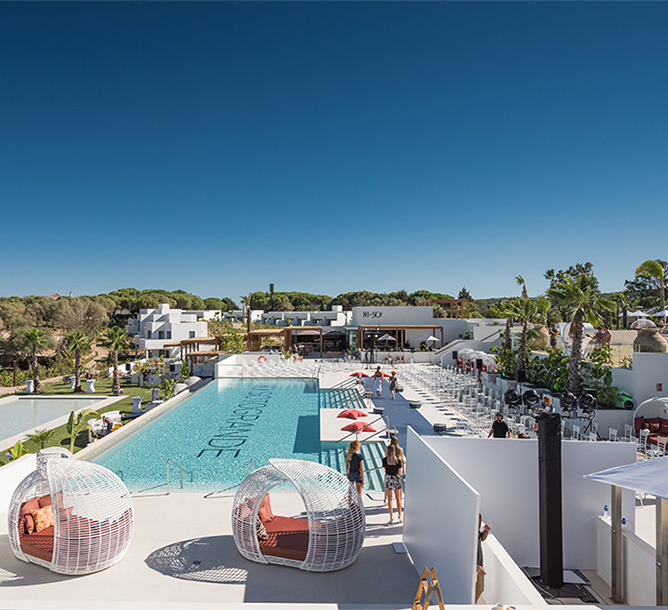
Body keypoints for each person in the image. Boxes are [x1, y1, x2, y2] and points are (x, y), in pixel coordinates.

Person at [383, 444, 403, 525]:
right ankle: (399, 516)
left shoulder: (385, 460)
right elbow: (399, 472)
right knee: (398, 498)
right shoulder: (397, 461)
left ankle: (391, 517)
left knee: (390, 499)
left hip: (388, 479)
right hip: (396, 479)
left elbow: (385, 470)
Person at [476, 514, 491, 602]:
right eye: (479, 521)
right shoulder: (470, 532)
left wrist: (486, 531)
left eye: (481, 522)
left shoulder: (477, 531)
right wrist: (476, 566)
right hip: (476, 568)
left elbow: (481, 539)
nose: (480, 524)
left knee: (480, 589)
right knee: (475, 590)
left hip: (480, 566)